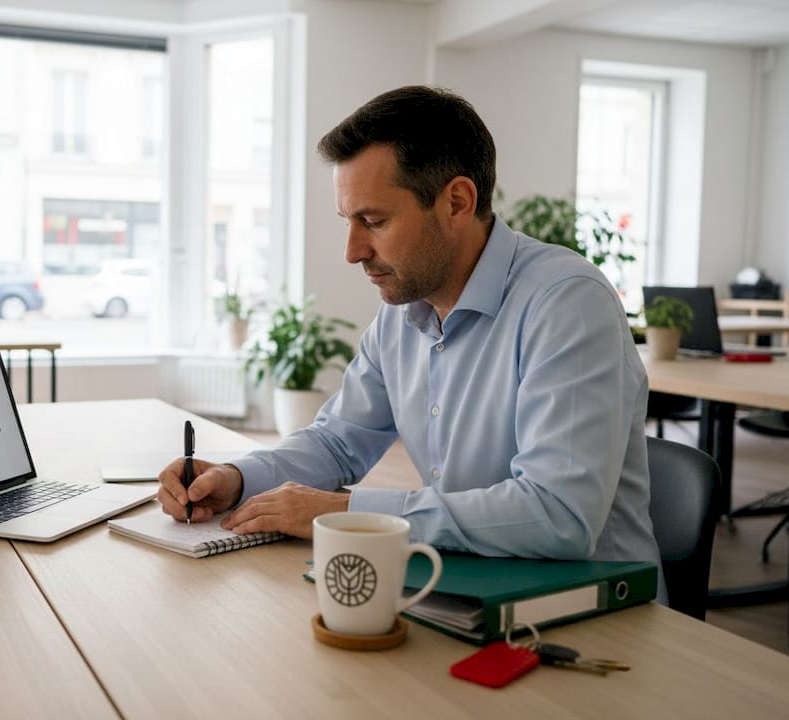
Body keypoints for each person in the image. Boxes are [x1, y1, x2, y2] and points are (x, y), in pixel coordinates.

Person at [158, 85, 659, 568]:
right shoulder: (402, 313)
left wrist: (347, 514)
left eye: (373, 221)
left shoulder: (566, 302)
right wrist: (235, 478)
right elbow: (338, 441)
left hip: (598, 610)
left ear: (457, 202)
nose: (353, 251)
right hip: (468, 576)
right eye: (347, 221)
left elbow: (558, 516)